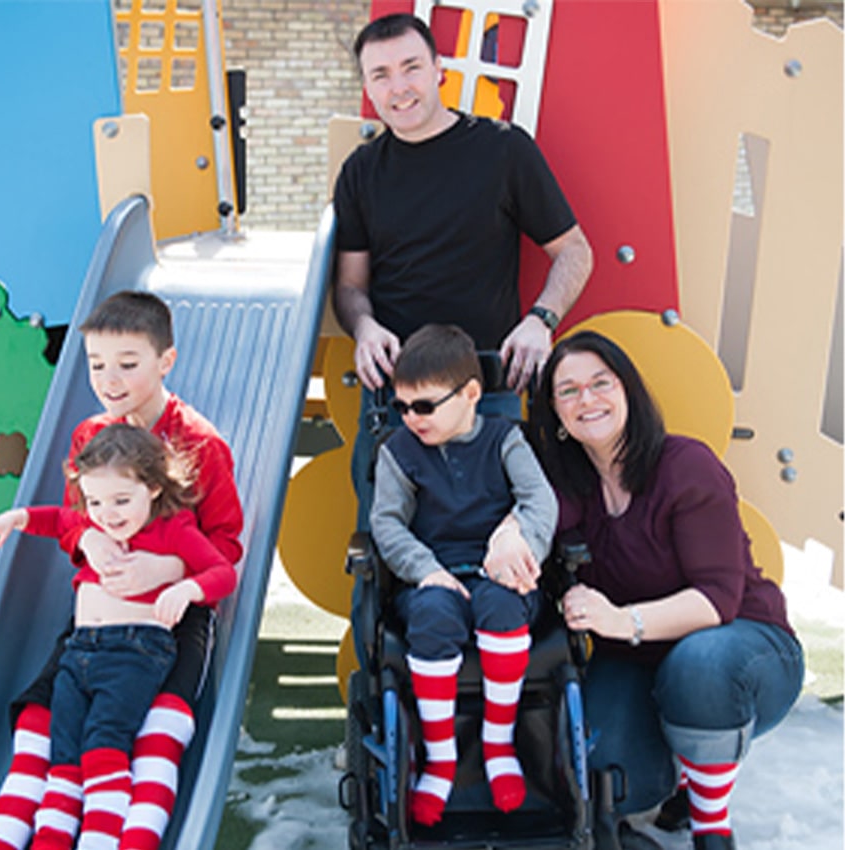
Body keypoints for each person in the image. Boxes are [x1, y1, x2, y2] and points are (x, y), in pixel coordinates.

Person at [0, 291, 243, 850]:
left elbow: (225, 543)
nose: (108, 378)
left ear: (164, 361)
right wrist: (89, 540)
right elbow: (74, 517)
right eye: (96, 364)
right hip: (96, 624)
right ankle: (24, 831)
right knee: (39, 719)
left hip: (172, 620)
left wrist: (168, 567)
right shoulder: (88, 436)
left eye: (127, 364)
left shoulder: (201, 443)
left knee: (154, 728)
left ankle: (127, 833)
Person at [530, 330, 804, 850]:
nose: (586, 399)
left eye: (599, 382)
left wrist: (620, 619)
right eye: (567, 391)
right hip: (637, 661)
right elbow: (533, 525)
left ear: (627, 389)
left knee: (698, 668)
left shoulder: (685, 466)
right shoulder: (569, 484)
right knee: (608, 773)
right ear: (556, 415)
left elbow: (717, 601)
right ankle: (683, 770)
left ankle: (711, 825)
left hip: (742, 647)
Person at [333, 12, 594, 529]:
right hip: (395, 394)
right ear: (367, 86)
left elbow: (575, 251)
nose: (398, 87)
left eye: (411, 67)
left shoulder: (503, 150)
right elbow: (349, 286)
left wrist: (541, 319)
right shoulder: (360, 172)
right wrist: (363, 327)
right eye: (380, 74)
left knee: (505, 545)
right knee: (385, 551)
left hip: (490, 388)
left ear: (439, 71)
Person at [369, 324, 558, 826]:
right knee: (431, 615)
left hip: (502, 571)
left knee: (501, 606)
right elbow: (386, 523)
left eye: (425, 406)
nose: (411, 418)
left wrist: (522, 541)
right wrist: (425, 570)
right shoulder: (398, 452)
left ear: (471, 394)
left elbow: (539, 501)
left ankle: (498, 743)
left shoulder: (505, 439)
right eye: (402, 406)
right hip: (434, 574)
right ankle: (441, 756)